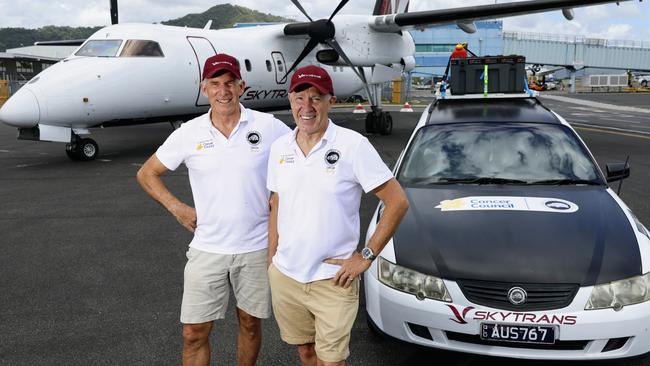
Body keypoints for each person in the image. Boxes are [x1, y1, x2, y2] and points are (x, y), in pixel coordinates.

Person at [136, 53, 290, 366]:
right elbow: (146, 173)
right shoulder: (188, 133)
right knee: (194, 331)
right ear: (203, 87)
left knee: (249, 323)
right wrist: (177, 207)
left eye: (230, 83)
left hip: (256, 247)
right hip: (207, 248)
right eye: (215, 83)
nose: (224, 90)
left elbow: (300, 161)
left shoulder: (269, 127)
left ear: (242, 86)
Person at [266, 65, 409, 366]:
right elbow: (277, 201)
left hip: (333, 279)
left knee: (331, 361)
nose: (307, 107)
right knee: (305, 352)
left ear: (331, 101)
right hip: (287, 275)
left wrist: (366, 256)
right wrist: (271, 260)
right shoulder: (280, 147)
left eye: (316, 98)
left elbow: (397, 203)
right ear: (290, 100)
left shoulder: (352, 145)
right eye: (300, 97)